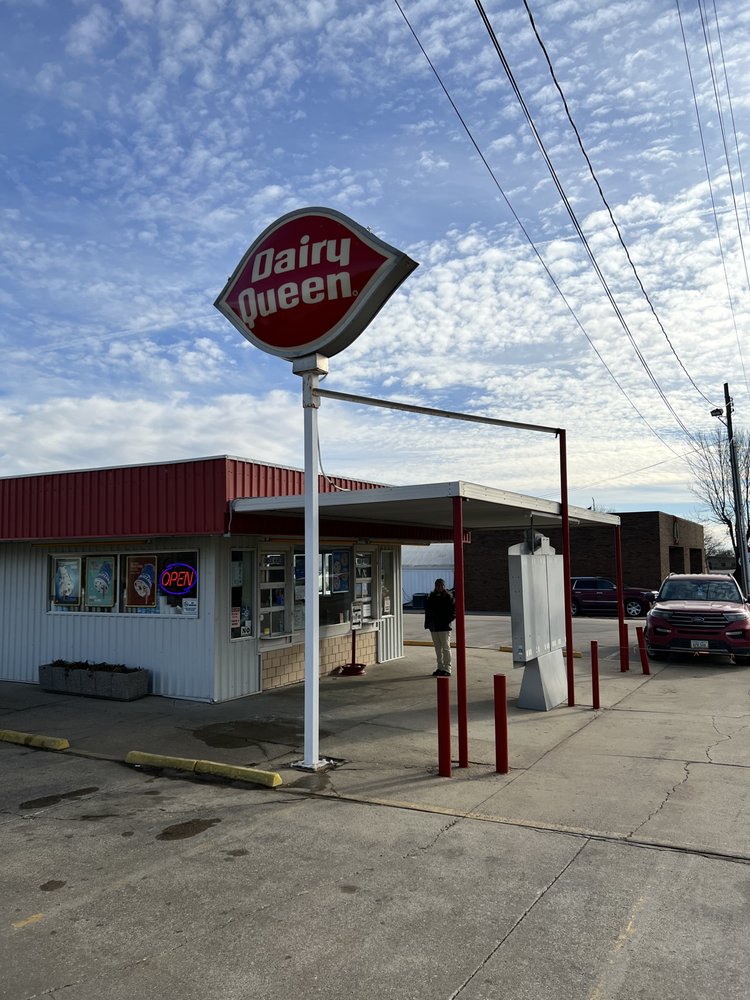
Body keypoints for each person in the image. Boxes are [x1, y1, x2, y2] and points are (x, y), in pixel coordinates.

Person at [424, 578, 456, 676]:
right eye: (438, 585)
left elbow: (454, 612)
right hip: (434, 627)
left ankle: (447, 669)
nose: (440, 587)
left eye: (441, 585)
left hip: (444, 627)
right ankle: (440, 667)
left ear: (444, 586)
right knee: (438, 648)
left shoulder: (448, 597)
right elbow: (428, 610)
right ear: (435, 586)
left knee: (446, 648)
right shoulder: (431, 597)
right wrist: (429, 623)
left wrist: (447, 620)